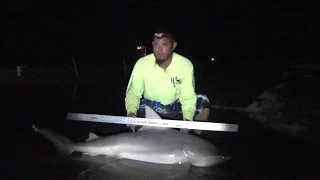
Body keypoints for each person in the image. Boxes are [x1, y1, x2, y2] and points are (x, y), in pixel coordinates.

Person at [124, 28, 211, 135]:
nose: (159, 50)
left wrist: (188, 119)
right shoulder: (142, 64)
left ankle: (193, 140)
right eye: (156, 44)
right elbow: (133, 93)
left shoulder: (185, 65)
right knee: (145, 136)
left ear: (173, 46)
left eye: (164, 45)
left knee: (203, 101)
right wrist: (131, 113)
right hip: (149, 107)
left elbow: (187, 97)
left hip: (174, 107)